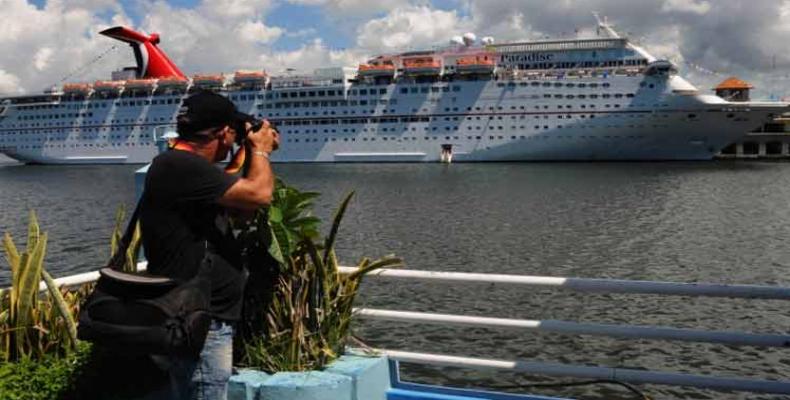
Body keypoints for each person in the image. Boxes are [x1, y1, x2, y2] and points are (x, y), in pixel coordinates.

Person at [139, 90, 279, 399]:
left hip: (202, 316)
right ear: (222, 132)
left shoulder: (182, 167)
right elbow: (259, 195)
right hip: (199, 321)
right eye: (232, 134)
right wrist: (262, 152)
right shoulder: (179, 166)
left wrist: (245, 154)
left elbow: (239, 213)